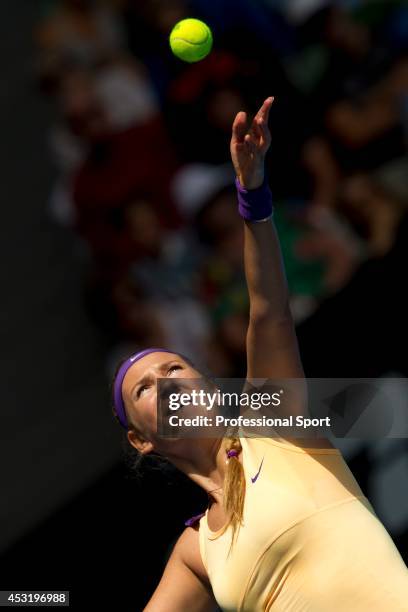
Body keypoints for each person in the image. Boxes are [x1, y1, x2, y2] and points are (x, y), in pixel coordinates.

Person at [112, 98, 408, 610]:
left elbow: (268, 311)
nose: (167, 382)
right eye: (145, 387)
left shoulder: (274, 423)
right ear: (141, 440)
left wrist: (252, 195)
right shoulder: (194, 554)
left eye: (175, 367)